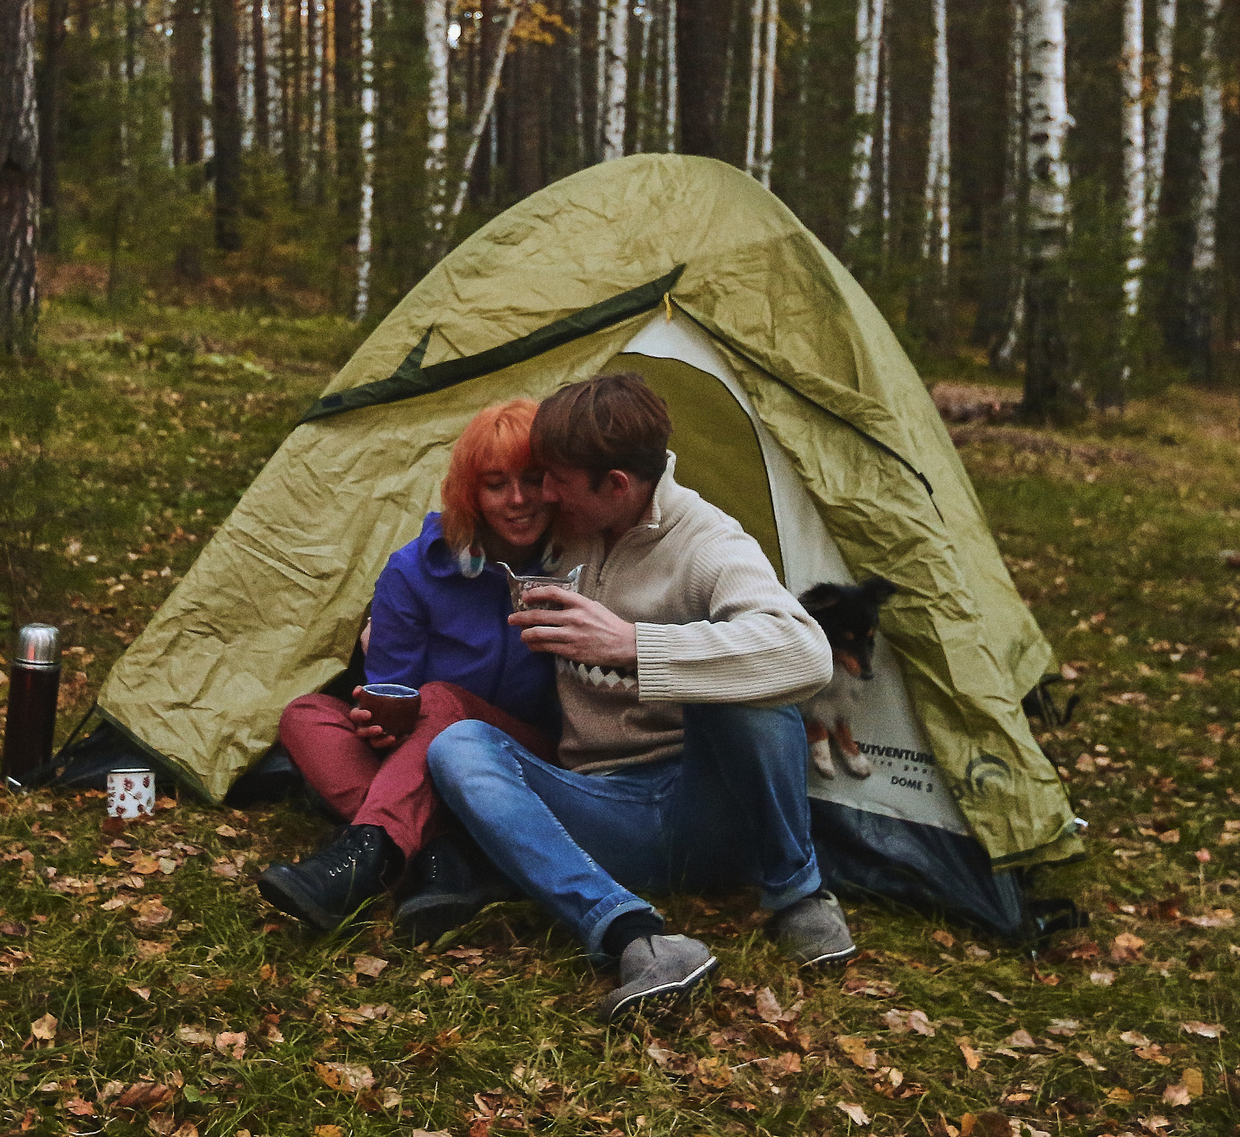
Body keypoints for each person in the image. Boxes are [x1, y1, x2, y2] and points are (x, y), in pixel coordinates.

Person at [426, 372, 858, 1022]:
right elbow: (465, 534)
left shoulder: (709, 543)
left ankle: (798, 895)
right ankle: (637, 935)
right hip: (603, 810)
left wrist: (636, 644)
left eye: (555, 481)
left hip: (707, 801)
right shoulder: (559, 531)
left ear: (617, 486)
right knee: (458, 745)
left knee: (756, 686)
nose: (540, 493)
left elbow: (806, 651)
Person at [257, 400, 563, 940]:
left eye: (533, 480)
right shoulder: (417, 569)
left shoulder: (575, 566)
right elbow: (390, 690)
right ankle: (445, 857)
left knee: (446, 703)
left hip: (525, 759)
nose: (518, 500)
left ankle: (365, 858)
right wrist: (379, 724)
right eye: (496, 484)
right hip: (419, 757)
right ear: (471, 492)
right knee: (306, 715)